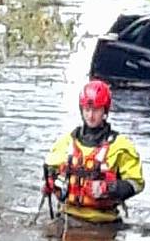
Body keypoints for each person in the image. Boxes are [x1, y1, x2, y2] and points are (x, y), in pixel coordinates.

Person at [43, 79, 143, 225]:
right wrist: (49, 184)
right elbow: (51, 171)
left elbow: (136, 183)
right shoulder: (67, 142)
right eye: (87, 110)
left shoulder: (120, 146)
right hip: (67, 219)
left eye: (96, 110)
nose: (90, 115)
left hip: (104, 222)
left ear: (105, 111)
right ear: (81, 110)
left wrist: (109, 188)